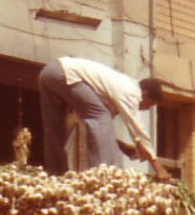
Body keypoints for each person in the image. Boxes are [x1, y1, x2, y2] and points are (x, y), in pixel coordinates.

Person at [37, 56, 168, 178]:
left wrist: (121, 147)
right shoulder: (132, 93)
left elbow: (98, 130)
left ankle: (56, 174)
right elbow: (138, 130)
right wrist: (159, 168)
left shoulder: (113, 93)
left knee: (55, 129)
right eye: (149, 104)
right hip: (65, 73)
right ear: (145, 94)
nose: (145, 109)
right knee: (101, 115)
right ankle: (105, 175)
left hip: (48, 72)